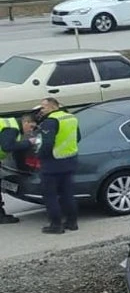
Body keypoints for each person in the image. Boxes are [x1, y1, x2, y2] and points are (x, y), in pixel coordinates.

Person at [35, 98, 81, 234]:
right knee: (68, 194)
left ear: (52, 107)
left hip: (52, 163)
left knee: (50, 196)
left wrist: (40, 155)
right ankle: (72, 222)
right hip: (70, 160)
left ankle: (56, 225)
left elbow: (47, 144)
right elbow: (77, 137)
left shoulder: (50, 121)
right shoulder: (71, 117)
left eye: (43, 107)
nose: (41, 110)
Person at [0, 114, 37, 224]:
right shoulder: (12, 128)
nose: (31, 131)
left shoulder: (10, 124)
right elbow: (7, 146)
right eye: (31, 127)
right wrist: (29, 142)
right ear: (25, 122)